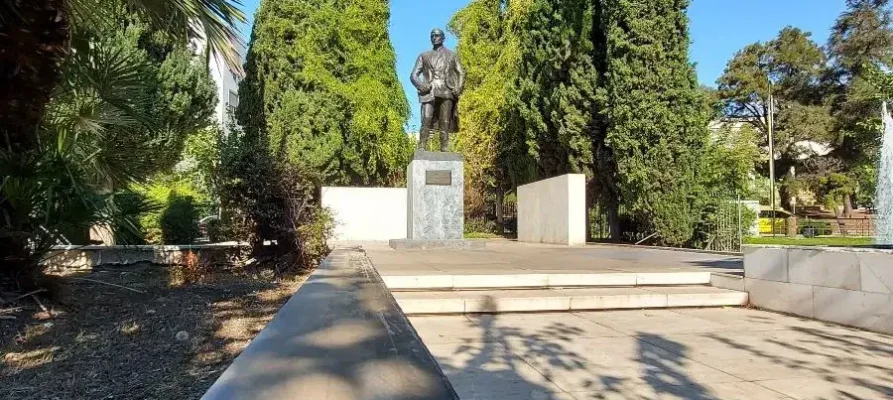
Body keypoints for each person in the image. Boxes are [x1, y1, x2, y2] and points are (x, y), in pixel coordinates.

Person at [410, 28, 465, 152]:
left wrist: (459, 87)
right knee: (426, 118)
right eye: (432, 36)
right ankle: (422, 145)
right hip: (429, 91)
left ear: (443, 38)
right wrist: (421, 84)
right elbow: (413, 75)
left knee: (445, 121)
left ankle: (444, 147)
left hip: (446, 91)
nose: (434, 38)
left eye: (437, 36)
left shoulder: (452, 55)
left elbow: (461, 72)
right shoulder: (424, 56)